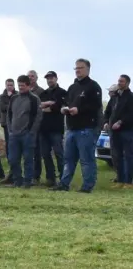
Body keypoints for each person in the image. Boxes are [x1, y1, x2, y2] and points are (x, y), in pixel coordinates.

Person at [57, 58, 102, 193]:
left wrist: (79, 110)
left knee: (86, 159)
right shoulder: (72, 87)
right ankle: (64, 184)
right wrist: (64, 108)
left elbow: (96, 106)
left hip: (86, 128)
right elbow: (66, 102)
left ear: (88, 69)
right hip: (71, 128)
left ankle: (87, 186)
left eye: (80, 68)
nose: (77, 70)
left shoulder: (94, 87)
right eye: (76, 68)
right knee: (68, 159)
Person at [4, 74, 42, 188]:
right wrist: (10, 129)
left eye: (23, 86)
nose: (20, 88)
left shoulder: (34, 99)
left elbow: (38, 116)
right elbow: (9, 114)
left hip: (27, 134)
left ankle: (27, 182)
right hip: (14, 135)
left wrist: (31, 131)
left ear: (28, 85)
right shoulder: (14, 98)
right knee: (13, 159)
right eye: (19, 85)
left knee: (28, 159)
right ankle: (17, 181)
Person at [35, 70, 67, 187]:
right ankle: (50, 178)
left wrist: (49, 106)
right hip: (43, 129)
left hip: (56, 129)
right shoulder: (43, 94)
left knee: (59, 154)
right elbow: (39, 108)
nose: (50, 80)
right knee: (45, 154)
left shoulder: (62, 92)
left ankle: (64, 178)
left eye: (51, 78)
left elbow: (60, 107)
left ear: (56, 78)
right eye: (48, 78)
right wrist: (50, 104)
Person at [108, 74, 133, 186]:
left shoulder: (131, 97)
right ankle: (120, 178)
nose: (119, 83)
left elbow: (131, 114)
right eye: (118, 81)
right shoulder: (114, 96)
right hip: (114, 131)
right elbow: (108, 111)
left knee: (128, 155)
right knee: (116, 154)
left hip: (126, 130)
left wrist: (120, 122)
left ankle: (128, 180)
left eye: (121, 81)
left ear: (127, 83)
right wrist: (105, 122)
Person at [0, 78, 18, 182]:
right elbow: (2, 107)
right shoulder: (1, 97)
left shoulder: (18, 95)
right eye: (8, 85)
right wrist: (11, 102)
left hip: (18, 124)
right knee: (9, 147)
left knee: (17, 148)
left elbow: (19, 107)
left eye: (11, 85)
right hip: (7, 124)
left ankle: (16, 174)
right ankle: (11, 173)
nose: (9, 87)